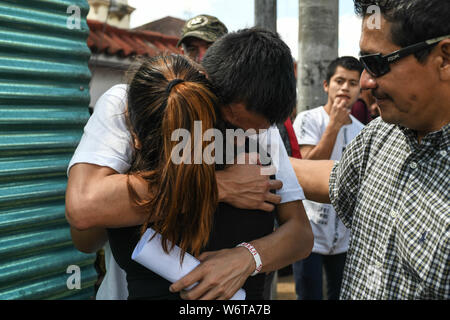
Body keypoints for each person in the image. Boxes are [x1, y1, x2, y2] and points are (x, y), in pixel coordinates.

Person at [66, 28, 313, 300]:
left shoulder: (255, 126)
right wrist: (219, 186)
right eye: (231, 125)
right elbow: (85, 214)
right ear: (204, 87)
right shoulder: (128, 104)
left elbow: (300, 234)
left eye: (253, 132)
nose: (237, 139)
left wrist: (246, 258)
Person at [290, 0, 449, 299]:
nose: (365, 83)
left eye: (377, 63)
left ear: (444, 59)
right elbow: (335, 177)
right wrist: (252, 163)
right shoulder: (382, 132)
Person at [291, 56, 364, 300]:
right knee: (309, 295)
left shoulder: (363, 130)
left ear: (359, 89)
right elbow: (307, 167)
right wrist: (333, 126)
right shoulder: (309, 119)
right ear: (326, 85)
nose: (345, 88)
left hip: (344, 238)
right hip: (309, 234)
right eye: (339, 81)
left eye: (353, 83)